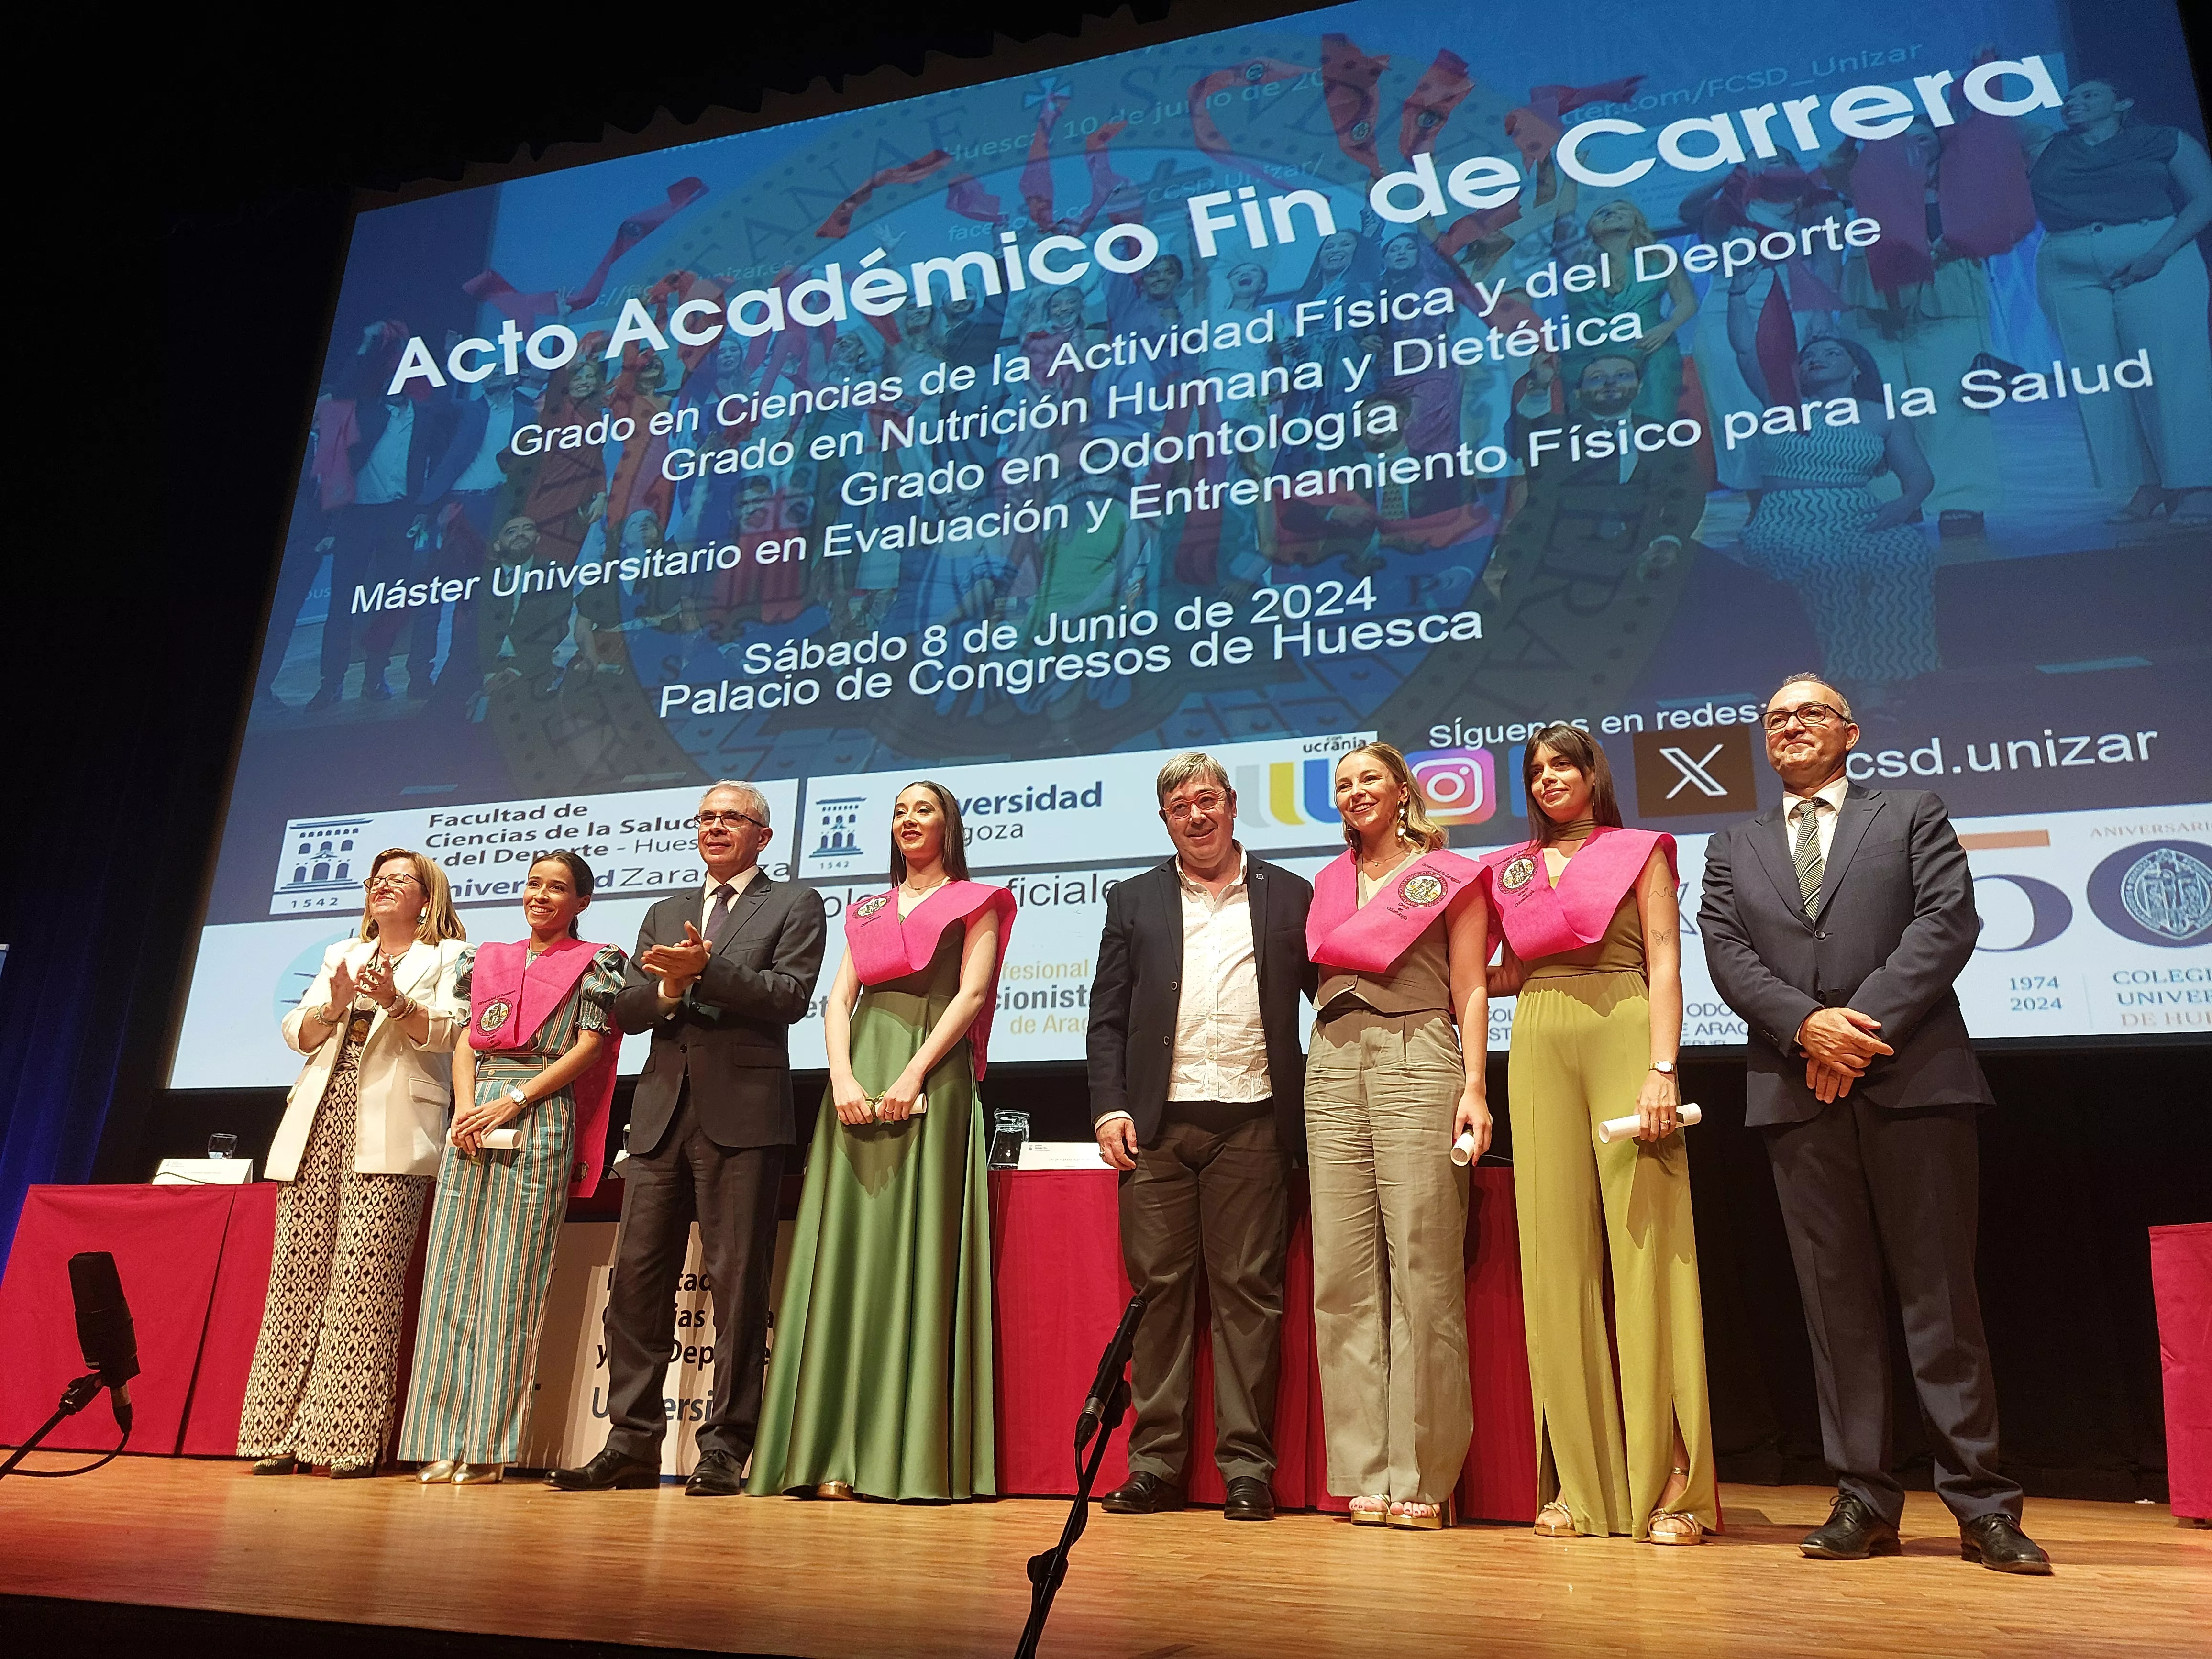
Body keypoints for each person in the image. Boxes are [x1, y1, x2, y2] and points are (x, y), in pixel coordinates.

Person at [1699, 674, 2048, 1573]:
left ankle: (1979, 1502)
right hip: (1794, 1088)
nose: (1788, 726)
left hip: (1911, 1081)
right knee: (1834, 1307)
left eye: (1808, 712)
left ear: (1849, 732)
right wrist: (1803, 1025)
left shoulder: (1909, 812)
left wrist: (1852, 1030)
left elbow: (1945, 921)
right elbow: (1727, 956)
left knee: (1939, 1297)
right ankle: (1863, 1495)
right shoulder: (1730, 845)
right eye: (1773, 718)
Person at [551, 782, 827, 1497]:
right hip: (661, 1119)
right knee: (637, 1284)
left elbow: (789, 997)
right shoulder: (666, 910)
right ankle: (631, 1442)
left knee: (738, 1289)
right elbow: (632, 1009)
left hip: (745, 1117)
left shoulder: (794, 903)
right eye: (705, 818)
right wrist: (671, 990)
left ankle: (726, 1448)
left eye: (731, 818)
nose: (715, 828)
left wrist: (706, 970)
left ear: (762, 837)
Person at [1480, 725, 1715, 1544]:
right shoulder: (1506, 867)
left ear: (1591, 775)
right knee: (1552, 1257)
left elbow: (1662, 956)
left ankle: (1670, 1486)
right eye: (1535, 769)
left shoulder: (1638, 848)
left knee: (1646, 1251)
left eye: (1561, 765)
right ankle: (1578, 1486)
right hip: (1536, 1033)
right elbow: (1508, 969)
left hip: (1622, 1023)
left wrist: (1662, 1066)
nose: (1547, 779)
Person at [747, 785, 1016, 1501]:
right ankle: (830, 1453)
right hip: (857, 1081)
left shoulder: (978, 900)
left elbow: (970, 996)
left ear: (949, 825)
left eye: (923, 810)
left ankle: (903, 1456)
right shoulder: (866, 909)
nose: (908, 821)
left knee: (911, 1252)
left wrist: (913, 1073)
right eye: (899, 811)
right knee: (850, 1257)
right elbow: (840, 1000)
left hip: (930, 1076)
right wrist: (840, 1078)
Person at [1089, 753, 1316, 1523]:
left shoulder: (1290, 894)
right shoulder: (1133, 900)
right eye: (1181, 805)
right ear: (1165, 820)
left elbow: (1338, 991)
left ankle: (1248, 1469)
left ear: (1232, 805)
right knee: (1158, 1300)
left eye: (1208, 799)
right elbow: (1108, 1018)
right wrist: (1109, 1107)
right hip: (1156, 1129)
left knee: (1251, 1299)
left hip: (1255, 1120)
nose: (1197, 814)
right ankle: (1156, 1466)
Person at [1303, 744, 1489, 1529]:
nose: (1353, 793)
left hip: (1419, 1047)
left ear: (1401, 788)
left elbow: (1471, 980)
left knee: (1420, 1265)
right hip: (1331, 1054)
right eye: (1342, 784)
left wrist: (1474, 1085)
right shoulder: (1324, 881)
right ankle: (1363, 1470)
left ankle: (1422, 1473)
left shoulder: (1447, 870)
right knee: (1341, 1275)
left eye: (1367, 778)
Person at [238, 849, 469, 1477]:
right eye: (377, 881)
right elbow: (298, 1033)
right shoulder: (341, 953)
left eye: (399, 881)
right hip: (320, 1120)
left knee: (365, 1286)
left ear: (427, 898)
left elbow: (455, 1032)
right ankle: (276, 1435)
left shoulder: (449, 957)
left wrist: (395, 1000)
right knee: (297, 1280)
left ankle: (346, 1439)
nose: (382, 889)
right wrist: (332, 1004)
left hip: (394, 1127)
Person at [398, 852, 625, 1484]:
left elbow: (590, 1046)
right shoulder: (487, 959)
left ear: (581, 903)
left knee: (511, 1282)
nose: (542, 896)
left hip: (538, 1108)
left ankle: (490, 1447)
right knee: (451, 1276)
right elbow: (470, 1040)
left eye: (558, 888)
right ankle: (439, 1439)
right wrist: (468, 1106)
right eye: (533, 885)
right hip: (473, 1119)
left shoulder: (598, 961)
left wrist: (516, 1100)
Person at [2026, 75, 2212, 526]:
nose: (2075, 102)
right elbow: (1992, 122)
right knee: (2103, 379)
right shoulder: (2045, 145)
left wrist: (2159, 253)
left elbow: (2205, 199)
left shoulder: (2163, 140)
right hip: (2068, 262)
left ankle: (2193, 482)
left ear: (2122, 102)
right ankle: (2144, 484)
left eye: (2090, 95)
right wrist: (1984, 71)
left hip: (2154, 250)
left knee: (2169, 369)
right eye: (2069, 98)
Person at [1733, 333, 1936, 711]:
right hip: (1786, 518)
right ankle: (1847, 683)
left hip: (1859, 513)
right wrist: (1738, 292)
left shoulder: (1882, 415)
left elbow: (1919, 477)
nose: (1817, 359)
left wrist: (1902, 507)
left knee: (1904, 557)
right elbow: (1747, 348)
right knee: (1830, 567)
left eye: (1831, 353)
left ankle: (1888, 679)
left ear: (1856, 366)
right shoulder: (1781, 406)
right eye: (1808, 356)